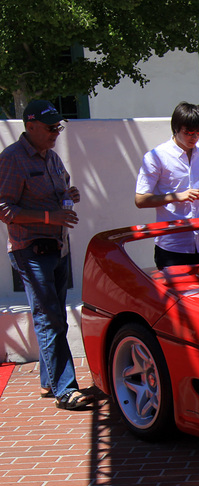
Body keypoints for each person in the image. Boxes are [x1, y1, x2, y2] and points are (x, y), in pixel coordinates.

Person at [0, 100, 92, 410]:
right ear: (31, 126)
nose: (56, 133)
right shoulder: (12, 159)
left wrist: (70, 194)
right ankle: (65, 390)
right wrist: (50, 217)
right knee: (49, 318)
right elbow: (5, 209)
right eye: (51, 128)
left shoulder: (51, 158)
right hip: (31, 250)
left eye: (58, 127)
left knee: (54, 319)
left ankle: (47, 380)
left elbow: (63, 188)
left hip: (59, 247)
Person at [135, 101, 199, 269]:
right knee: (174, 295)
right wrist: (176, 197)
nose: (195, 137)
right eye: (189, 132)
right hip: (172, 246)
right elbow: (140, 199)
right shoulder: (156, 156)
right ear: (175, 128)